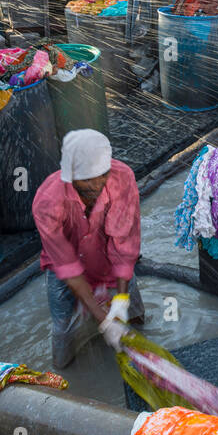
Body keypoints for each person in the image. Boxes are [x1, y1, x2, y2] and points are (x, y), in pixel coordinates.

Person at [33, 129, 144, 367]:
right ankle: (65, 374)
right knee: (63, 329)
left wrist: (121, 299)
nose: (96, 185)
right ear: (69, 175)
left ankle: (139, 350)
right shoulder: (47, 201)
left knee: (135, 315)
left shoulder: (122, 178)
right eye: (86, 180)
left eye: (101, 176)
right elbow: (68, 268)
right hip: (65, 268)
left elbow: (124, 244)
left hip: (108, 260)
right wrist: (105, 322)